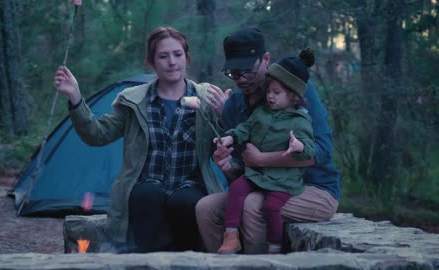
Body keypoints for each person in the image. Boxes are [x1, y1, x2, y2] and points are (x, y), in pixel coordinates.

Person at [54, 26, 225, 252]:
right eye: (163, 56)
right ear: (152, 62)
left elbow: (230, 140)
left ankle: (187, 263)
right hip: (147, 185)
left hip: (190, 185)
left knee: (184, 201)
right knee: (147, 195)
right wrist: (75, 98)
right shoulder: (134, 102)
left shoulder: (208, 97)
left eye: (178, 54)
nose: (172, 62)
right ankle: (146, 263)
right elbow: (97, 134)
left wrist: (225, 115)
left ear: (187, 57)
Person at [196, 27, 341, 254]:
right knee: (205, 208)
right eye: (234, 73)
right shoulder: (234, 106)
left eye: (247, 71)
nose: (241, 79)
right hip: (264, 185)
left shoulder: (295, 89)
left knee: (254, 205)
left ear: (265, 59)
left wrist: (262, 159)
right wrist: (226, 166)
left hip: (314, 188)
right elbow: (244, 172)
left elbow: (321, 152)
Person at [214, 49, 316, 254]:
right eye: (268, 91)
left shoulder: (299, 121)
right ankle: (231, 236)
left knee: (270, 207)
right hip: (257, 175)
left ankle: (273, 248)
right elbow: (245, 128)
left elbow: (310, 150)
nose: (269, 96)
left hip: (282, 180)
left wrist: (299, 146)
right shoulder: (262, 112)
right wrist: (230, 137)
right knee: (236, 189)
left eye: (276, 92)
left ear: (293, 96)